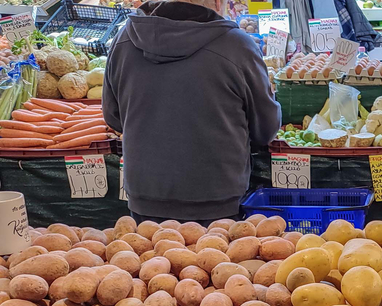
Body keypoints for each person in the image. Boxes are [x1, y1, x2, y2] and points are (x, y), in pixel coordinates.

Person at [103, 0, 281, 226]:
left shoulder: (124, 39)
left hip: (145, 195)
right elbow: (265, 130)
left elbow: (112, 117)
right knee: (212, 261)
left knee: (149, 259)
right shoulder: (238, 47)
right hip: (216, 200)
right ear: (218, 2)